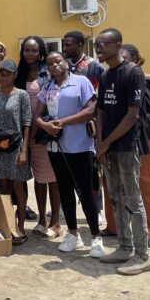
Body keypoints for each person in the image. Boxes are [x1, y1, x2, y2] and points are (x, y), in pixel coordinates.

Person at [101, 44, 150, 248]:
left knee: (144, 181)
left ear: (135, 59)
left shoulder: (148, 79)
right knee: (111, 182)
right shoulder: (109, 77)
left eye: (125, 58)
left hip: (141, 139)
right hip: (115, 139)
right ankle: (114, 226)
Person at [95, 28, 150, 275]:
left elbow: (133, 115)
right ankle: (124, 247)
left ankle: (143, 256)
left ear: (117, 45)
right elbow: (100, 112)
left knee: (132, 198)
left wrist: (107, 142)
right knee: (115, 197)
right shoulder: (107, 75)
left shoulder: (133, 73)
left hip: (126, 147)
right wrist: (99, 142)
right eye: (96, 44)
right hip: (108, 147)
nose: (98, 48)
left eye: (103, 44)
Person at [35, 52, 104, 257]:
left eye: (58, 61)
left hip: (80, 147)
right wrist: (46, 126)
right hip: (56, 148)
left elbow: (91, 110)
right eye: (49, 63)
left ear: (66, 63)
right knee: (65, 191)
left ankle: (96, 237)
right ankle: (73, 235)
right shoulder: (47, 87)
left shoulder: (81, 82)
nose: (54, 65)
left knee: (85, 192)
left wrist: (63, 123)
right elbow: (37, 114)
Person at [0, 60, 32, 244]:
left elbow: (27, 123)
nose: (4, 76)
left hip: (16, 148)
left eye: (8, 73)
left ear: (15, 75)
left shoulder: (22, 95)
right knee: (4, 190)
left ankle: (20, 227)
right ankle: (8, 226)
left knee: (18, 187)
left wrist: (24, 150)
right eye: (1, 73)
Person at [15, 36, 60, 238]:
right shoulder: (19, 72)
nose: (30, 54)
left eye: (33, 50)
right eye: (26, 50)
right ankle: (41, 219)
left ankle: (55, 222)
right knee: (39, 178)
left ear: (40, 51)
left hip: (44, 132)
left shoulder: (48, 72)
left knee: (52, 177)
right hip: (24, 132)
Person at [63, 30, 105, 223]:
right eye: (64, 44)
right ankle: (69, 207)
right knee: (68, 166)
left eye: (69, 44)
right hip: (67, 124)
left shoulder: (93, 66)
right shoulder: (63, 64)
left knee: (91, 168)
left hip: (89, 123)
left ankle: (96, 208)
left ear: (80, 45)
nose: (65, 47)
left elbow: (100, 94)